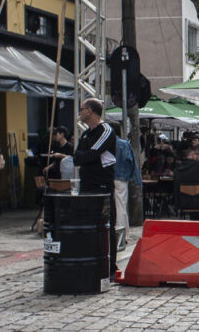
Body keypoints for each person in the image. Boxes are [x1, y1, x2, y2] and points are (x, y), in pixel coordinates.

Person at [74, 98, 119, 271]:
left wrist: (85, 156)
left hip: (101, 185)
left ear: (90, 111)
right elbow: (77, 157)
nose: (80, 112)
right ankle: (91, 261)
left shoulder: (106, 130)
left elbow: (91, 154)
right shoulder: (86, 133)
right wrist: (84, 156)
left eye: (82, 108)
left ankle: (109, 265)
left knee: (107, 224)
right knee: (87, 224)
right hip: (86, 185)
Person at [114, 135, 142, 249]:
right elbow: (131, 162)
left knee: (113, 207)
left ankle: (120, 235)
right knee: (120, 206)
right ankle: (122, 236)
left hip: (107, 177)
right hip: (121, 178)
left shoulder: (105, 141)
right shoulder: (123, 144)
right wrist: (136, 180)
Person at [173, 148, 199, 216]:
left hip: (182, 203)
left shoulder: (177, 170)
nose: (198, 156)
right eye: (197, 154)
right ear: (192, 156)